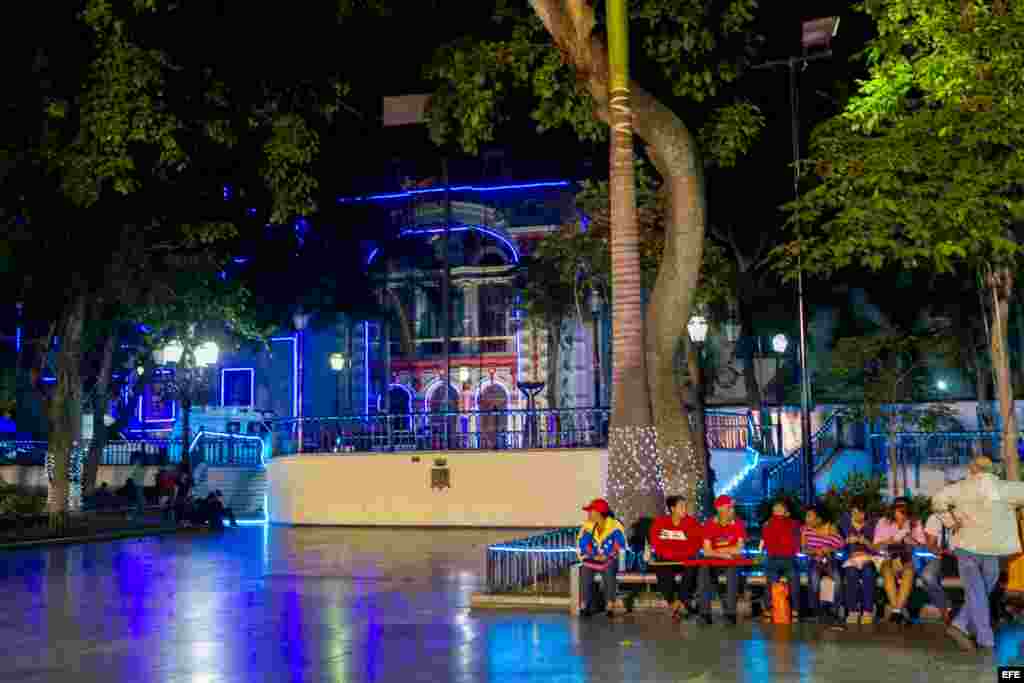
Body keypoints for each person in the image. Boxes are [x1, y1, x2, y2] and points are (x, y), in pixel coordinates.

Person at [932, 456, 1024, 653]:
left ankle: (960, 624)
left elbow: (937, 500)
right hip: (991, 549)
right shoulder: (1005, 488)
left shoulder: (960, 487)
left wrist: (950, 522)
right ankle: (985, 638)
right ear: (992, 470)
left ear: (972, 469)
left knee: (977, 591)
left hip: (966, 546)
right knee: (980, 591)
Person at [648, 495, 703, 620]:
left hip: (685, 560)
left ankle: (680, 601)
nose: (685, 509)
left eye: (685, 507)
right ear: (672, 508)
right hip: (668, 559)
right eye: (682, 507)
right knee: (661, 567)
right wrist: (673, 553)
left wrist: (679, 553)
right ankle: (673, 603)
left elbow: (696, 544)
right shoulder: (660, 523)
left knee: (692, 566)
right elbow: (656, 543)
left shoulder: (692, 523)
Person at [874, 497, 926, 623]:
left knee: (908, 570)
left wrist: (910, 539)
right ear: (893, 510)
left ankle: (896, 611)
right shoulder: (883, 522)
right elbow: (875, 546)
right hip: (887, 557)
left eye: (905, 511)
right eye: (899, 511)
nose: (902, 515)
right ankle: (898, 610)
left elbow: (922, 547)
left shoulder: (914, 523)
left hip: (908, 559)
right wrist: (890, 541)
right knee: (887, 570)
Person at [698, 495, 746, 625]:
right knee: (703, 572)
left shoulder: (738, 523)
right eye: (729, 508)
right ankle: (705, 613)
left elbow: (739, 549)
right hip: (715, 559)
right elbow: (706, 550)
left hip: (731, 559)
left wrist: (719, 551)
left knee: (732, 573)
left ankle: (730, 614)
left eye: (732, 508)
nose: (732, 510)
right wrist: (723, 553)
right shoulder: (709, 524)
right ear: (720, 509)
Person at [577, 498, 627, 618]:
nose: (588, 514)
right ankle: (584, 605)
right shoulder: (587, 526)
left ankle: (609, 605)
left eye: (591, 511)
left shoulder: (615, 525)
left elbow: (620, 543)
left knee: (609, 569)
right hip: (593, 560)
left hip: (610, 559)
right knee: (584, 569)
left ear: (599, 512)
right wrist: (594, 555)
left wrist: (607, 555)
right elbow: (583, 544)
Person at [759, 500, 802, 622]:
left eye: (780, 508)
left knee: (793, 577)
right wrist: (762, 550)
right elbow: (764, 541)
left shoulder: (793, 523)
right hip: (773, 557)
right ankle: (769, 607)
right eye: (775, 508)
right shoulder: (768, 524)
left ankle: (795, 609)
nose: (777, 510)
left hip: (789, 558)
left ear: (786, 511)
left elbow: (797, 540)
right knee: (771, 579)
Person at [840, 497, 880, 624]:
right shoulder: (844, 522)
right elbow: (835, 543)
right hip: (851, 559)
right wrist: (846, 541)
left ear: (866, 513)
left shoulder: (873, 523)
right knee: (851, 573)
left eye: (860, 513)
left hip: (868, 558)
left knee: (868, 573)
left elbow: (878, 547)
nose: (857, 516)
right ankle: (853, 611)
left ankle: (868, 611)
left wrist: (866, 542)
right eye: (854, 512)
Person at [802, 505, 844, 623]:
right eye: (806, 516)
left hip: (829, 559)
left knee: (837, 579)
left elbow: (840, 544)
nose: (807, 519)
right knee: (814, 579)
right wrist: (816, 551)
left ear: (819, 519)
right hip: (814, 560)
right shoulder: (805, 530)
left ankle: (834, 610)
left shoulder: (831, 527)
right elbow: (804, 549)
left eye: (810, 516)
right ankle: (816, 610)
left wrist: (828, 549)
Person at [921, 507, 959, 625]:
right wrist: (941, 552)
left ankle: (960, 610)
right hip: (940, 557)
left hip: (963, 556)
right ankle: (944, 609)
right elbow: (931, 545)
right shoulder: (934, 518)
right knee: (927, 576)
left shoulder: (963, 517)